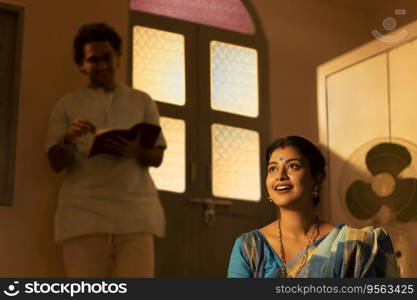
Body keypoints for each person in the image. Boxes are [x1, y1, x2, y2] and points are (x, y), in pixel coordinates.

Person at [45, 23, 166, 277]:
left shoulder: (142, 101)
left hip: (136, 215)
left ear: (118, 57)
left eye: (107, 56)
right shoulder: (66, 105)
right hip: (82, 216)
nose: (101, 64)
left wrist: (134, 150)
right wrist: (67, 138)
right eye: (93, 59)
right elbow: (56, 164)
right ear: (82, 64)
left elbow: (157, 156)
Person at [227, 136, 399, 278]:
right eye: (272, 169)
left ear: (316, 179)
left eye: (293, 166)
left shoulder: (353, 246)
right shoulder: (249, 247)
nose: (280, 176)